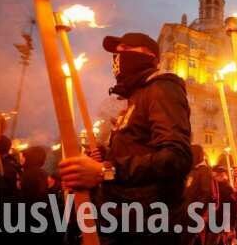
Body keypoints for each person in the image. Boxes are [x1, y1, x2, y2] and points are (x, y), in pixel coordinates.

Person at [59, 32, 192, 245]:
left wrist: (105, 171)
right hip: (120, 219)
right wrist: (103, 157)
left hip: (147, 226)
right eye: (116, 53)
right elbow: (136, 150)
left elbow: (176, 157)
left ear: (151, 57)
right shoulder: (134, 98)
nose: (118, 57)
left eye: (125, 51)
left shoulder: (162, 89)